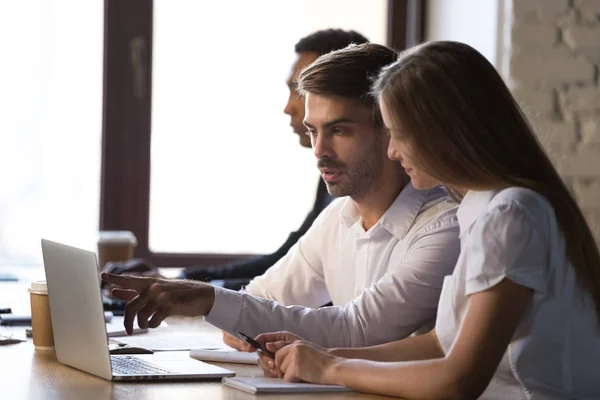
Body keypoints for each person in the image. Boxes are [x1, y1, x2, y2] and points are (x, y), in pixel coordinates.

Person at [251, 41, 600, 400]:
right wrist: (324, 356)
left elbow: (457, 381)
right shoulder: (479, 208)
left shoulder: (508, 214)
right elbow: (439, 343)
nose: (391, 151)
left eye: (399, 133)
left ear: (445, 130)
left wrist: (329, 368)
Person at [101, 43, 460, 349]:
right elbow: (257, 303)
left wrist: (212, 302)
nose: (319, 151)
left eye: (339, 130)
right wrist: (229, 312)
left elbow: (360, 330)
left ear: (390, 128)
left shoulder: (445, 227)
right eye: (313, 131)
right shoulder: (338, 219)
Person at [103, 29, 370, 290]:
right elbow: (287, 259)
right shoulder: (332, 173)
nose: (288, 107)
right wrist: (184, 282)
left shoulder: (351, 177)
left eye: (298, 90)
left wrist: (190, 288)